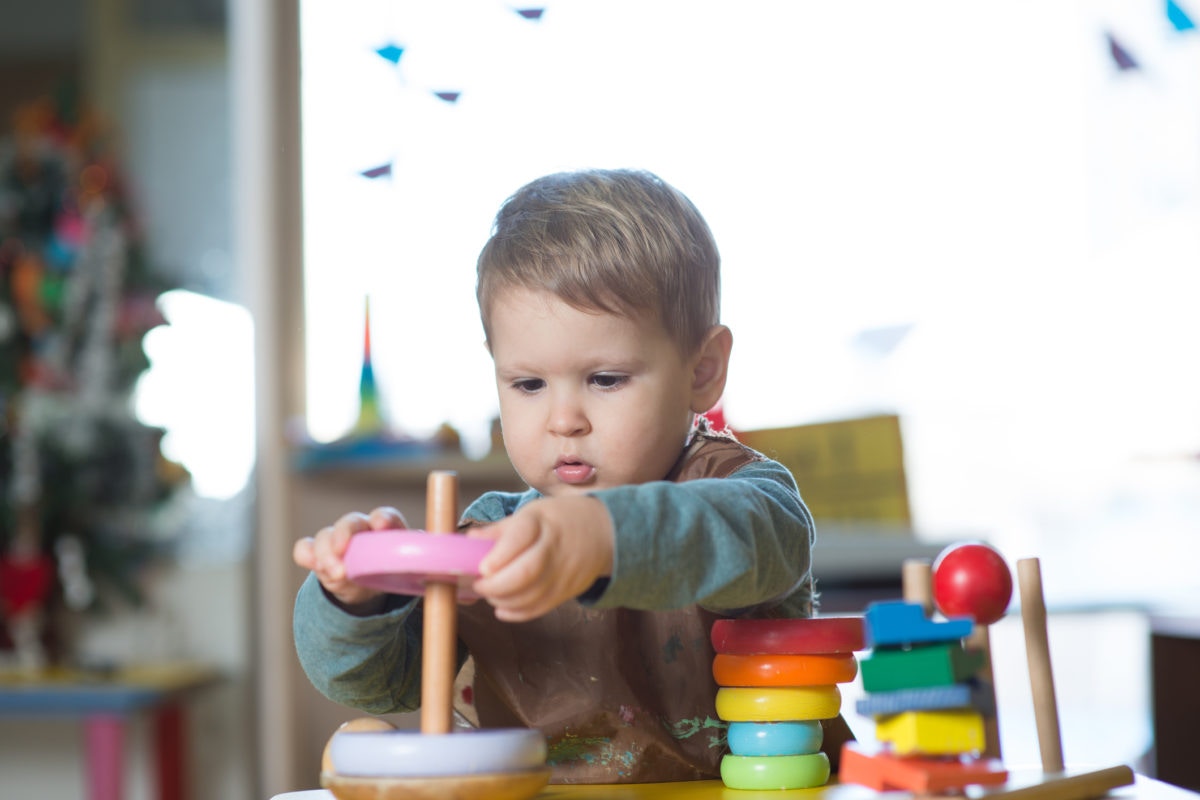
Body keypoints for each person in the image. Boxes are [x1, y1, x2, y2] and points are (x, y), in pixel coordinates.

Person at [292, 168, 845, 783]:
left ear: (702, 371)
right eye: (528, 384)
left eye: (604, 379)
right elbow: (378, 685)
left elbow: (755, 544)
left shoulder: (748, 496)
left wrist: (600, 536)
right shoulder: (492, 538)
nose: (562, 420)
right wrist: (360, 605)